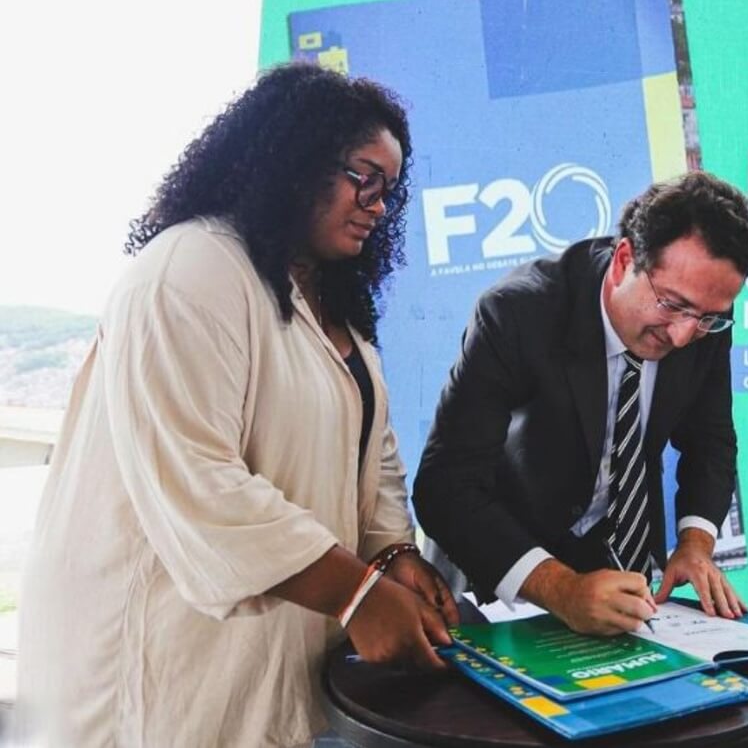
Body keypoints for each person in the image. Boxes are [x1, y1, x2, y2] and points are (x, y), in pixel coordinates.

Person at [17, 63, 459, 747]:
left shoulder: (327, 301)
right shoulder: (189, 268)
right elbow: (200, 480)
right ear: (294, 159)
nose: (378, 203)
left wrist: (392, 551)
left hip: (260, 662)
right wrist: (356, 593)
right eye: (363, 176)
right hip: (156, 664)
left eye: (390, 191)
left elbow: (374, 456)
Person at [413, 171, 748, 635]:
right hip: (499, 570)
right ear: (625, 261)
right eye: (673, 306)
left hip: (615, 570)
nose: (685, 335)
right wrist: (562, 589)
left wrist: (696, 543)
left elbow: (711, 441)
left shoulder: (703, 310)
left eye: (708, 318)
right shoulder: (517, 313)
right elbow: (445, 486)